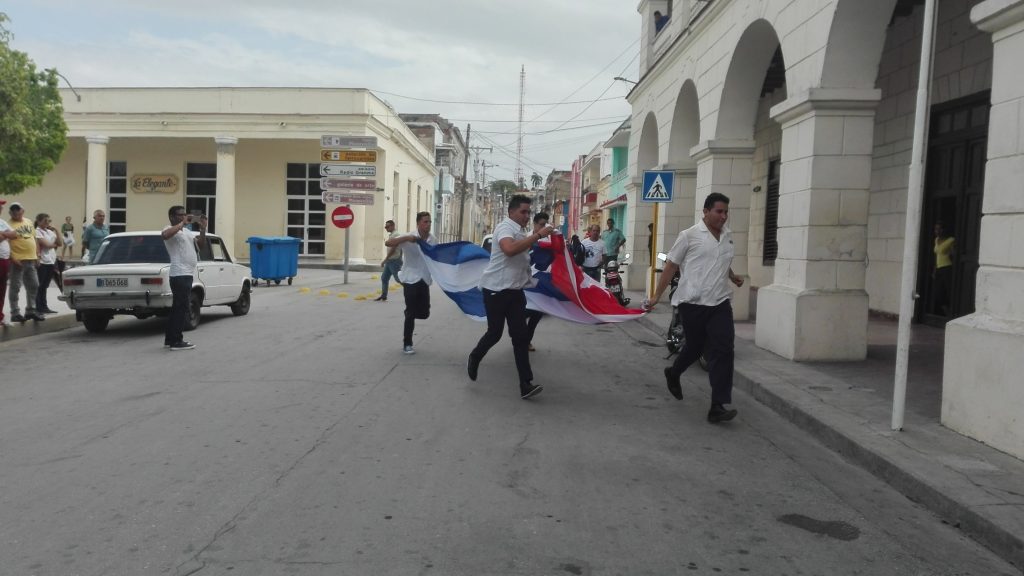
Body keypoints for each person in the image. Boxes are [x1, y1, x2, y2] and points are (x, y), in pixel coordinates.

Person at [646, 193, 744, 423]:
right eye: (719, 211)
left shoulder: (727, 236)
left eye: (726, 212)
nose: (723, 216)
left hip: (719, 302)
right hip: (693, 302)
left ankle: (717, 405)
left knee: (724, 349)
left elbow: (720, 260)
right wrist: (656, 296)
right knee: (695, 347)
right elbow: (671, 266)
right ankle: (674, 372)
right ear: (706, 211)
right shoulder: (689, 236)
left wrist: (732, 276)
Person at [467, 195, 554, 399]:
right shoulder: (505, 228)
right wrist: (538, 235)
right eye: (523, 212)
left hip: (515, 292)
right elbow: (509, 250)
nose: (526, 215)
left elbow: (523, 256)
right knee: (495, 333)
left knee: (520, 337)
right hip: (496, 290)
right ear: (511, 212)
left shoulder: (520, 231)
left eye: (528, 212)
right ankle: (475, 356)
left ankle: (526, 384)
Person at [384, 212, 436, 354]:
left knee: (425, 313)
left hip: (424, 279)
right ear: (418, 223)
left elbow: (435, 258)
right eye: (425, 222)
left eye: (430, 222)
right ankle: (407, 343)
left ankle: (411, 312)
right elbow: (388, 243)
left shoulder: (433, 240)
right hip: (410, 279)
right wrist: (407, 238)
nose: (428, 224)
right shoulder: (409, 237)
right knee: (411, 313)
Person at [161, 205, 207, 351]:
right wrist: (182, 223)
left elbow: (200, 246)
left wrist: (203, 229)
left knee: (178, 308)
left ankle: (170, 339)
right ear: (172, 217)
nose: (183, 217)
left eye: (184, 214)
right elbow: (165, 235)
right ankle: (177, 341)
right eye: (180, 215)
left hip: (187, 274)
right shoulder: (168, 228)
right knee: (182, 308)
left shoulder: (186, 232)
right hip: (179, 274)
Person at [6, 202, 44, 323]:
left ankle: (30, 310)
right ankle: (15, 312)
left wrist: (37, 255)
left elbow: (34, 239)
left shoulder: (28, 222)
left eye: (17, 210)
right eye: (13, 210)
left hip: (30, 259)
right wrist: (12, 258)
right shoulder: (8, 225)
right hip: (17, 260)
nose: (15, 212)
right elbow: (5, 243)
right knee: (15, 287)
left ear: (23, 211)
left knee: (34, 285)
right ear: (10, 212)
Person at [525, 212, 552, 352]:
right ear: (534, 225)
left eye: (546, 225)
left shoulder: (549, 242)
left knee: (536, 315)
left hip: (541, 284)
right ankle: (520, 338)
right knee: (522, 313)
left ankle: (526, 341)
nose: (544, 228)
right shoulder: (526, 239)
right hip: (525, 284)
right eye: (541, 225)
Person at [34, 213, 62, 314]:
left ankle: (44, 306)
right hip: (42, 261)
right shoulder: (37, 232)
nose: (47, 223)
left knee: (45, 285)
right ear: (39, 221)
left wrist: (57, 230)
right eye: (45, 221)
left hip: (51, 261)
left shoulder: (50, 232)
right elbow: (47, 245)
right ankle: (38, 307)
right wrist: (54, 244)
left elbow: (60, 243)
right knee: (40, 285)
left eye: (48, 221)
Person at [375, 219, 402, 302]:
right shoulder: (392, 235)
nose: (386, 228)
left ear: (393, 226)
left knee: (398, 279)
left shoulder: (396, 235)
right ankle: (384, 296)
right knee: (384, 278)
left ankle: (413, 290)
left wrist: (385, 259)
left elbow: (393, 249)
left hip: (394, 261)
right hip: (390, 261)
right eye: (385, 227)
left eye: (387, 226)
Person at [0, 199, 18, 326]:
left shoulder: (2, 222)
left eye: (1, 208)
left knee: (2, 288)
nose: (1, 209)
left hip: (4, 259)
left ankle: (0, 316)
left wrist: (3, 234)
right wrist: (6, 234)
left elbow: (15, 234)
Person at [933, 221, 955, 316]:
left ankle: (951, 314)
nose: (937, 231)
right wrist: (934, 269)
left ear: (944, 229)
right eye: (936, 229)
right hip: (938, 269)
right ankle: (947, 313)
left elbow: (954, 254)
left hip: (947, 268)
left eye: (939, 228)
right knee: (938, 292)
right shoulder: (936, 240)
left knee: (948, 290)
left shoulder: (951, 240)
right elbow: (937, 255)